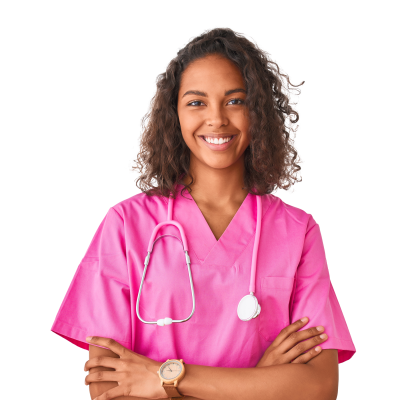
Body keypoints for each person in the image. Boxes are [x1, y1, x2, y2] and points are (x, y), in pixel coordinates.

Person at [50, 26, 356, 400]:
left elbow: (319, 386)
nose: (217, 120)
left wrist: (166, 378)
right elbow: (107, 388)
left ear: (258, 111)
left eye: (235, 101)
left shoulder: (298, 231)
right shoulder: (126, 225)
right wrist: (261, 380)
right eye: (196, 102)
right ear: (173, 114)